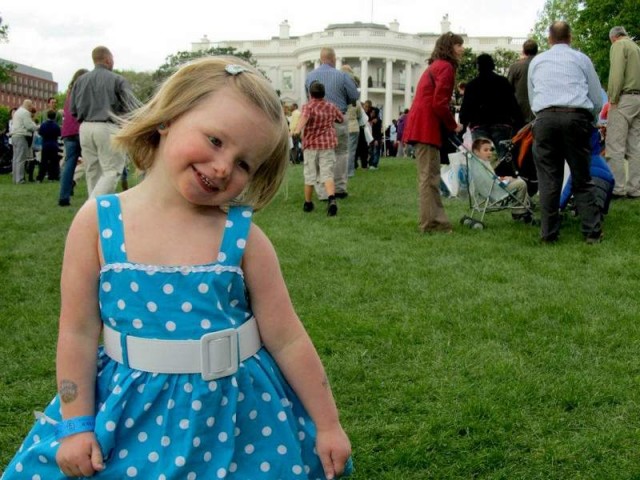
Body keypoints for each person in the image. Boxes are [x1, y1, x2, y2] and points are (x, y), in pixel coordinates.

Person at [2, 57, 352, 480]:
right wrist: (76, 426)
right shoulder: (97, 222)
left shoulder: (245, 240)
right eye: (216, 140)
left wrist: (328, 424)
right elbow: (76, 331)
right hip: (126, 414)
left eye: (245, 164)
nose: (224, 167)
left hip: (235, 417)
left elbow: (289, 338)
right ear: (168, 118)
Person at [528, 21, 603, 244]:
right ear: (570, 37)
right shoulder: (581, 59)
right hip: (575, 116)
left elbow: (534, 99)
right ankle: (591, 232)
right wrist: (593, 118)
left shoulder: (537, 61)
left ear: (549, 39)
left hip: (545, 118)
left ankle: (548, 234)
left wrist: (542, 116)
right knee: (582, 177)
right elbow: (597, 97)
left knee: (548, 179)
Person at [403, 31, 465, 234]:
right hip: (426, 127)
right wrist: (453, 125)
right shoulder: (445, 68)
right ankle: (431, 223)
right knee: (429, 177)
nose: (462, 49)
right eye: (458, 45)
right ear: (449, 47)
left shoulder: (435, 66)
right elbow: (439, 103)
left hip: (422, 125)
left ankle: (435, 221)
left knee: (429, 176)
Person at [71, 45, 139, 198]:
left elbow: (73, 109)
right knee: (112, 170)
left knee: (92, 171)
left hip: (85, 127)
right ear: (108, 59)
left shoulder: (80, 81)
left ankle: (94, 209)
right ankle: (93, 206)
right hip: (108, 126)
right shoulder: (117, 80)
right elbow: (131, 106)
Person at [305, 47, 359, 199]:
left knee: (319, 156)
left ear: (321, 58)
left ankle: (323, 192)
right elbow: (354, 95)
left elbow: (309, 99)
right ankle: (340, 188)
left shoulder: (310, 77)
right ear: (333, 59)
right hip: (338, 117)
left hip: (316, 121)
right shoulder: (342, 76)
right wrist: (345, 100)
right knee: (341, 152)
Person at [459, 53, 523, 175]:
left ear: (478, 67)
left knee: (482, 156)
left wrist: (463, 125)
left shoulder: (472, 85)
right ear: (493, 65)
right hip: (501, 123)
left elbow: (466, 107)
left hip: (478, 124)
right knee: (504, 156)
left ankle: (485, 183)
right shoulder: (503, 82)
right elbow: (512, 104)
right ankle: (506, 181)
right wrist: (518, 123)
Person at [292, 81, 344, 216]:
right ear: (323, 93)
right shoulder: (331, 106)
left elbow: (304, 118)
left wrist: (297, 130)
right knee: (327, 174)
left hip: (311, 146)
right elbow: (341, 119)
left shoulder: (308, 107)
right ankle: (332, 200)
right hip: (327, 145)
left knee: (310, 175)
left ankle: (308, 203)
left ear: (310, 93)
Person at [605, 26, 640, 199]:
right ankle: (635, 188)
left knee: (615, 145)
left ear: (614, 37)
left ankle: (617, 188)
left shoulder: (619, 46)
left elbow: (616, 73)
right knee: (635, 147)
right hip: (638, 99)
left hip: (624, 98)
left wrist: (612, 98)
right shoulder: (636, 47)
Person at [472, 137, 532, 222]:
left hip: (488, 190)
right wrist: (506, 180)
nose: (489, 152)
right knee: (521, 183)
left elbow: (491, 179)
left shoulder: (477, 164)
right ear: (476, 152)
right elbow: (493, 180)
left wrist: (504, 179)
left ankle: (524, 208)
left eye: (490, 150)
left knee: (515, 180)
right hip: (495, 191)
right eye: (485, 150)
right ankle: (519, 212)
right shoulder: (483, 165)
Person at [59, 68, 89, 206]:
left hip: (67, 132)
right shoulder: (84, 92)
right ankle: (94, 194)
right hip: (81, 129)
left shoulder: (69, 94)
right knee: (91, 163)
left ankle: (64, 196)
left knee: (69, 164)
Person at [507, 39, 538, 124]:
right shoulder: (542, 66)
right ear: (536, 51)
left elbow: (508, 90)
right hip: (539, 112)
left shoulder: (515, 67)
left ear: (523, 51)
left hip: (519, 113)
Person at [10, 99, 37, 184]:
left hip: (14, 136)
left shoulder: (17, 112)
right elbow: (29, 126)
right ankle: (20, 179)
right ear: (28, 105)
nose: (32, 107)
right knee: (21, 159)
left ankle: (15, 178)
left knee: (15, 158)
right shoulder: (25, 113)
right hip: (22, 136)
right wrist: (36, 126)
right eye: (31, 105)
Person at [36, 110, 62, 182]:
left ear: (47, 116)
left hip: (45, 144)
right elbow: (59, 134)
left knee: (44, 161)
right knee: (54, 161)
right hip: (54, 144)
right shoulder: (56, 125)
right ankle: (53, 176)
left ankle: (40, 177)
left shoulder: (43, 125)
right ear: (55, 116)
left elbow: (40, 133)